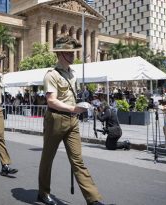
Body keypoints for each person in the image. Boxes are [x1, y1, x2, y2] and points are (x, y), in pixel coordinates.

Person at [38, 36, 105, 205]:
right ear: (60, 53)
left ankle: (93, 199)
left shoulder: (72, 74)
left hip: (72, 120)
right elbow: (51, 100)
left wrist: (80, 106)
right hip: (55, 119)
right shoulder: (51, 75)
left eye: (73, 52)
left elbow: (70, 98)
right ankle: (43, 192)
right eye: (69, 52)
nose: (73, 55)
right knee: (48, 158)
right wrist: (73, 108)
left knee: (77, 160)